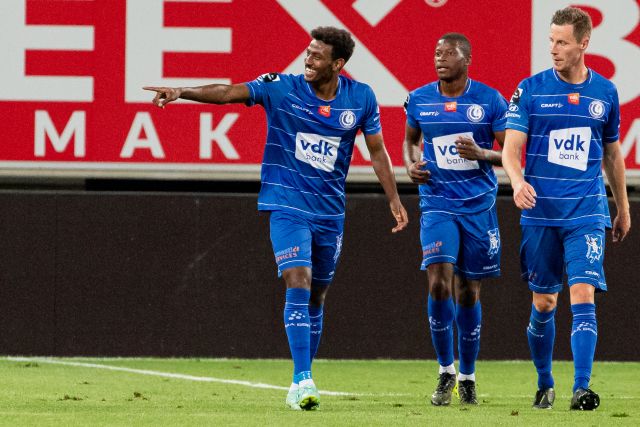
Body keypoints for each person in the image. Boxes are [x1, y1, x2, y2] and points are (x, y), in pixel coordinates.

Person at [144, 26, 408, 411]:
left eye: (317, 56)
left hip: (329, 212)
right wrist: (182, 91)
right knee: (298, 280)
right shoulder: (281, 88)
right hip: (285, 204)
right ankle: (303, 378)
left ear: (337, 64)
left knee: (317, 295)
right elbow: (228, 93)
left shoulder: (361, 97)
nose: (308, 59)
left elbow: (377, 150)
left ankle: (300, 378)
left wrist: (394, 198)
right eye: (307, 52)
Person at [502, 6, 630, 410]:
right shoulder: (530, 90)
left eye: (562, 42)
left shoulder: (605, 92)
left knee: (583, 292)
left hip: (586, 211)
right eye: (551, 41)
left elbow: (613, 154)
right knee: (544, 303)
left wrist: (623, 207)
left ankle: (581, 387)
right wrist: (518, 181)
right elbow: (510, 150)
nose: (554, 49)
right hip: (541, 213)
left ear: (583, 43)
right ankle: (545, 382)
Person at [402, 33, 507, 406]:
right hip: (437, 203)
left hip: (478, 206)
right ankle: (446, 370)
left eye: (449, 53)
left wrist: (482, 153)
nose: (440, 58)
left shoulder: (490, 100)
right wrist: (410, 165)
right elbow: (410, 141)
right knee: (438, 283)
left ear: (467, 59)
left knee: (467, 291)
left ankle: (468, 375)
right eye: (436, 52)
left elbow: (512, 154)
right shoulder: (419, 99)